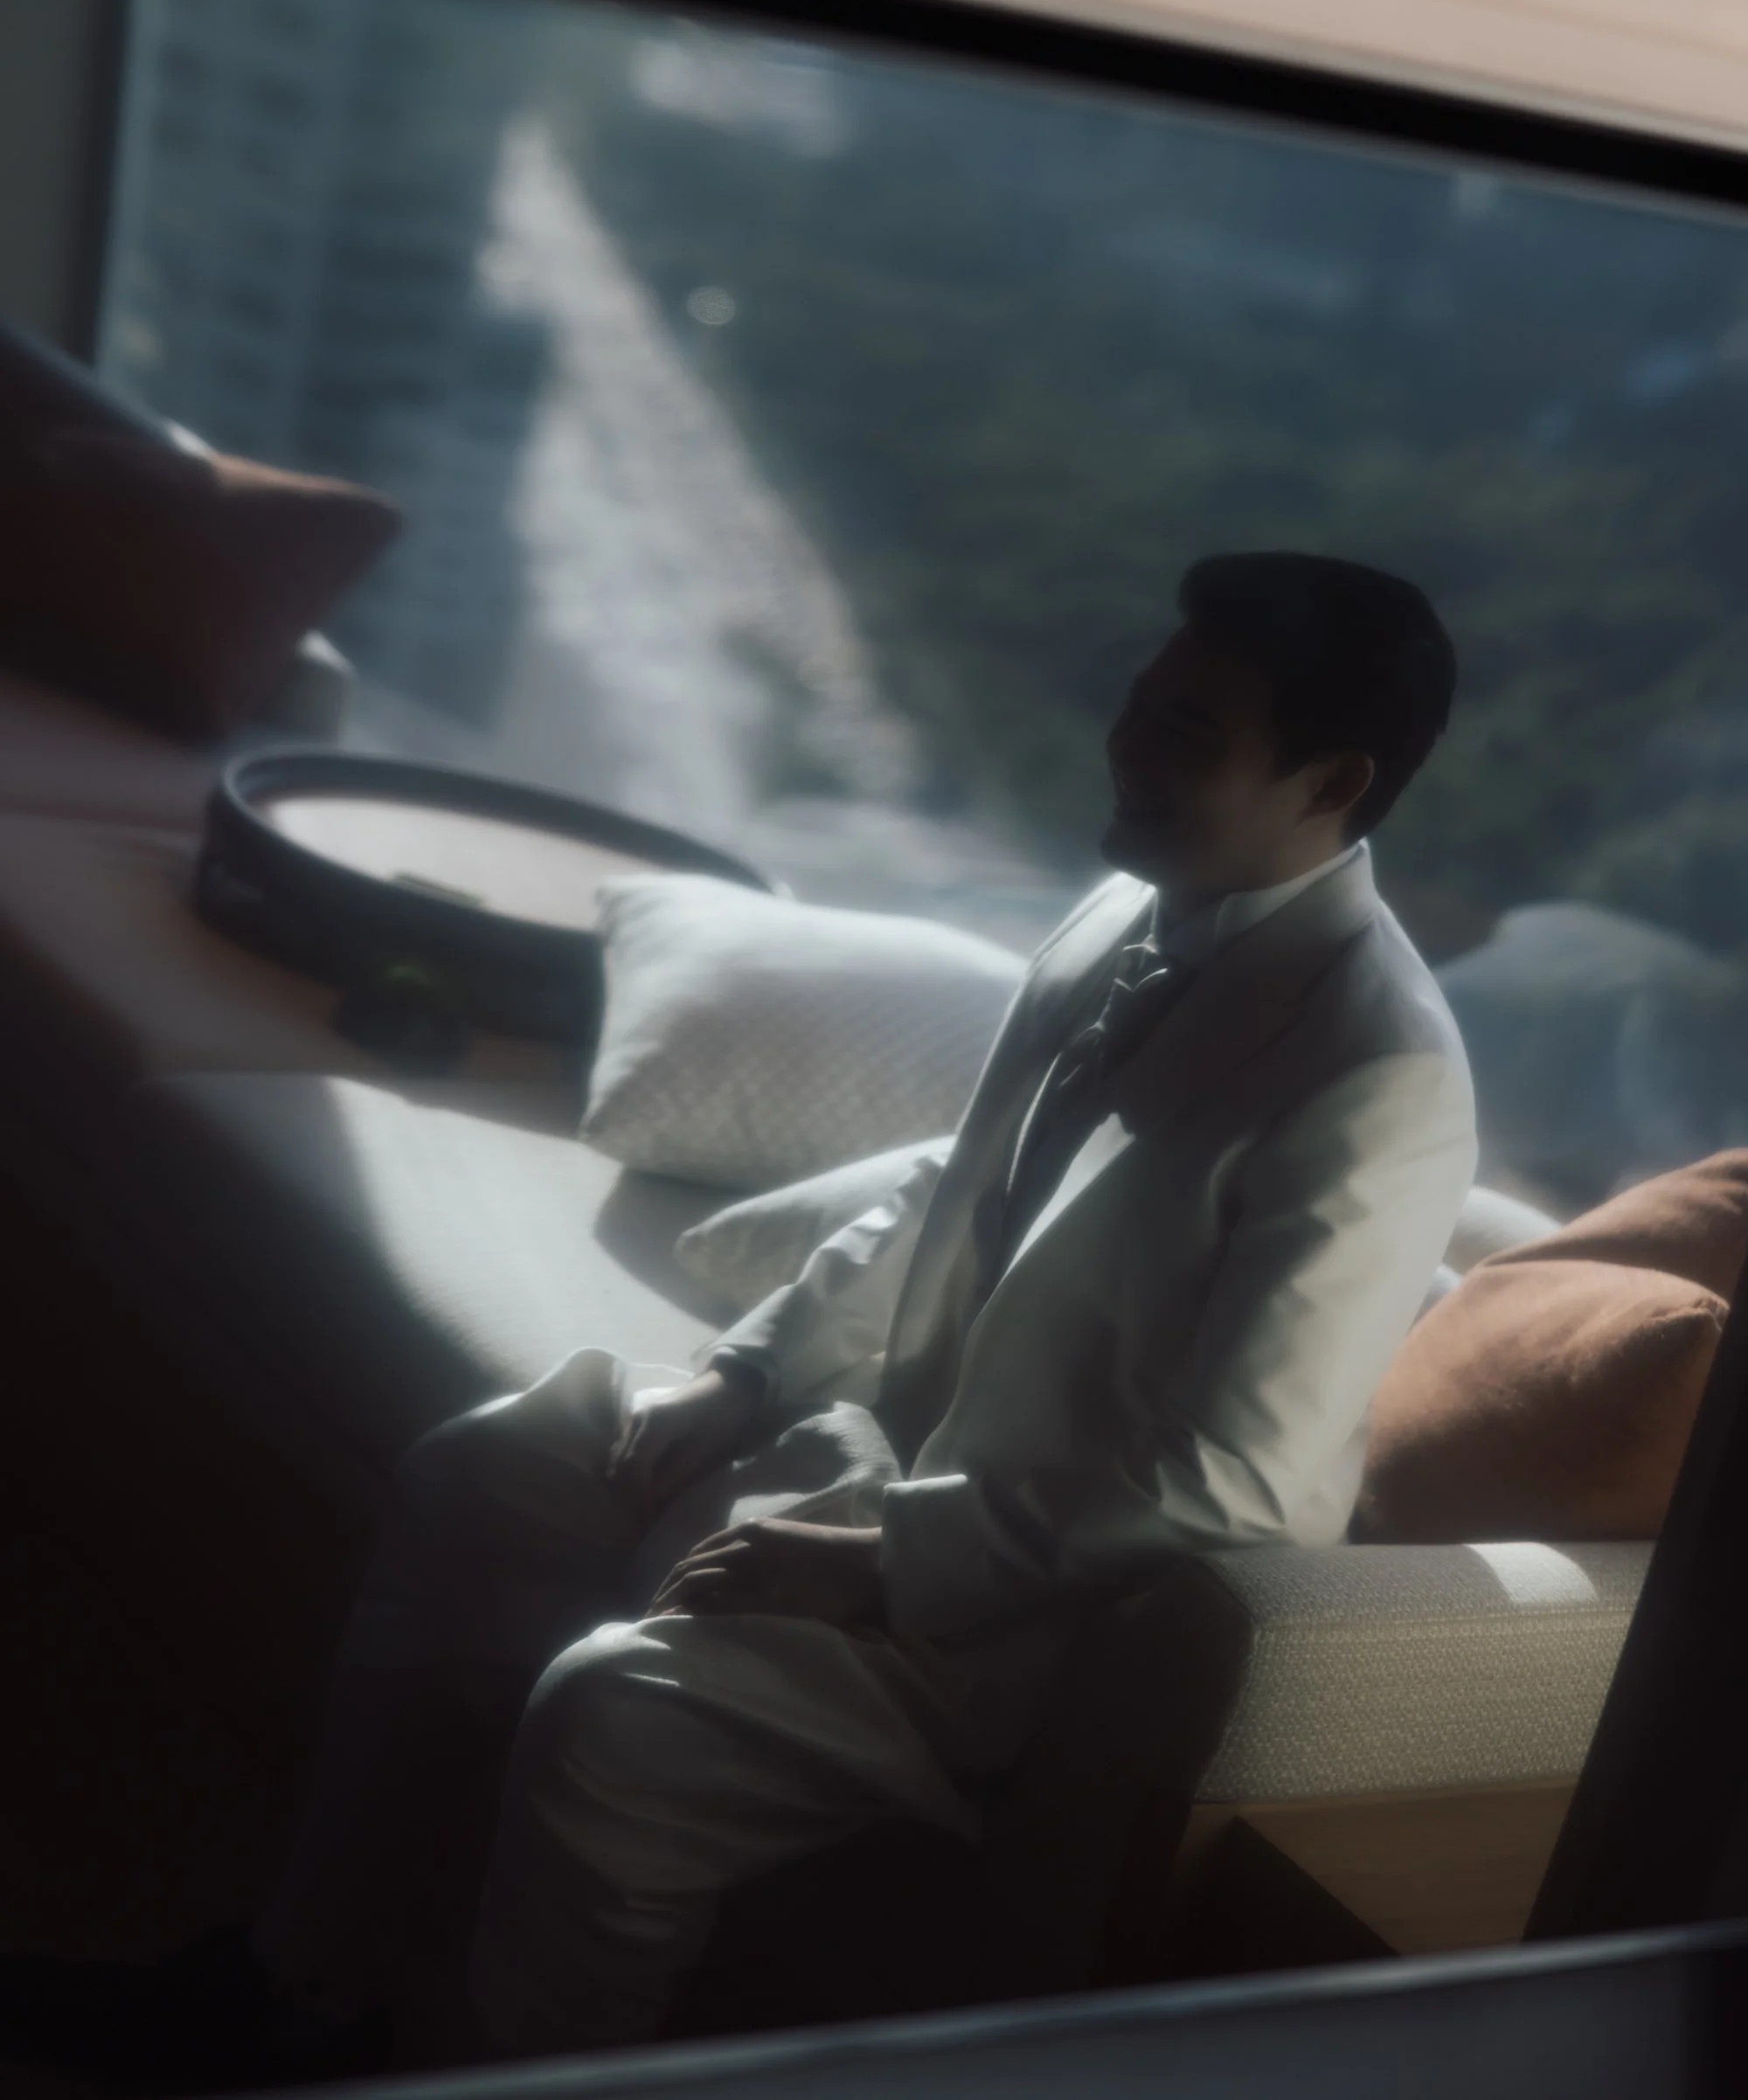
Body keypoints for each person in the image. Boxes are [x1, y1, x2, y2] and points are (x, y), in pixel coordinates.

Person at [5, 551, 1476, 2079]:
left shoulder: (1376, 1075)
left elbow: (1234, 1485)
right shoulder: (1132, 906)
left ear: (1334, 783)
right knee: (490, 1467)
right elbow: (958, 1184)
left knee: (614, 1719)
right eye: (1142, 702)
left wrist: (882, 1561)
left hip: (1024, 1622)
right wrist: (747, 1371)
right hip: (860, 1451)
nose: (1129, 746)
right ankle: (290, 1983)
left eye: (1189, 733)